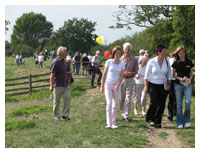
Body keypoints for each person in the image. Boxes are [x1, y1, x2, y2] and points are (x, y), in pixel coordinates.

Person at [144, 44, 171, 128]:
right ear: (158, 52)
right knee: (154, 102)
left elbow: (169, 74)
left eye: (165, 51)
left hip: (163, 84)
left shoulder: (167, 61)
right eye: (164, 51)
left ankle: (158, 121)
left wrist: (169, 84)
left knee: (162, 103)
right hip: (153, 84)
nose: (165, 53)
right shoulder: (152, 61)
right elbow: (146, 75)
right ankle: (152, 119)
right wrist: (146, 86)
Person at [100, 46, 125, 129]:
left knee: (115, 104)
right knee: (109, 103)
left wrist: (118, 84)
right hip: (108, 84)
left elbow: (122, 76)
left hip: (116, 85)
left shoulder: (122, 63)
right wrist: (102, 86)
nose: (118, 55)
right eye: (116, 53)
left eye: (119, 53)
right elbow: (104, 74)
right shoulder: (108, 62)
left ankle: (113, 123)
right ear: (113, 53)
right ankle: (108, 123)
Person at [172, 46, 194, 128]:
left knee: (188, 102)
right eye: (180, 53)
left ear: (185, 53)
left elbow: (191, 73)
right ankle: (180, 122)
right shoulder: (176, 63)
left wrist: (190, 79)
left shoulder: (189, 62)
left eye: (183, 53)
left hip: (187, 85)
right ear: (178, 54)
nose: (182, 54)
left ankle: (187, 120)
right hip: (178, 85)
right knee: (179, 104)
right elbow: (173, 75)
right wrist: (179, 78)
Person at [50, 46, 71, 121]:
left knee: (67, 98)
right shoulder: (55, 62)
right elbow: (52, 75)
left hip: (65, 84)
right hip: (57, 84)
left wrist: (68, 83)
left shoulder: (64, 61)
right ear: (62, 53)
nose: (67, 53)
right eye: (66, 52)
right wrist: (51, 85)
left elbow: (65, 73)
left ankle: (65, 115)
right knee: (56, 101)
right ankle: (56, 115)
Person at [119, 42, 138, 122]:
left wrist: (131, 73)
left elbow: (136, 70)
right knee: (121, 98)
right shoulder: (120, 59)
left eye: (129, 49)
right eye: (126, 49)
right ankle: (122, 114)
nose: (127, 50)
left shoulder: (134, 59)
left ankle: (126, 115)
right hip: (121, 79)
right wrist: (123, 73)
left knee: (128, 97)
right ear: (124, 50)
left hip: (130, 79)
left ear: (130, 50)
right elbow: (117, 70)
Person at [167, 54, 177, 121]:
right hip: (171, 80)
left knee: (177, 98)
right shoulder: (169, 61)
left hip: (179, 80)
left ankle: (175, 113)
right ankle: (170, 114)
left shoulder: (181, 61)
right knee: (171, 97)